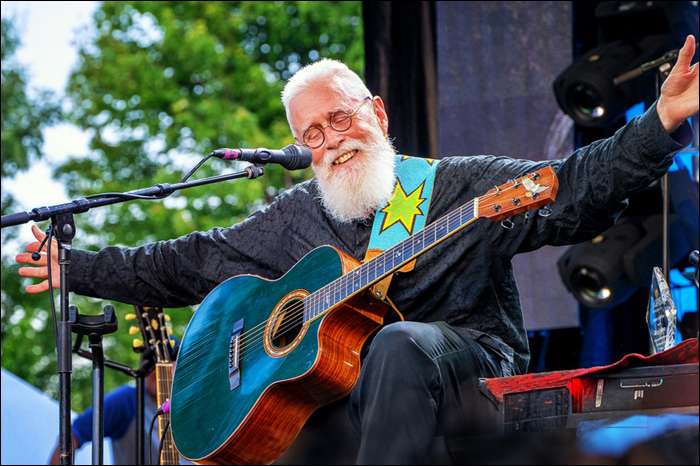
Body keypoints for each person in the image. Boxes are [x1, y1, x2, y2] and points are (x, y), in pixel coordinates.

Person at [18, 36, 698, 464]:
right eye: (311, 134)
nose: (331, 140)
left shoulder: (457, 185)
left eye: (340, 118)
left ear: (376, 113)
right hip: (357, 402)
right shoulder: (295, 217)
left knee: (396, 346)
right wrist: (74, 266)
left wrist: (661, 124)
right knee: (297, 417)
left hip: (468, 362)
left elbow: (572, 188)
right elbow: (185, 262)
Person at [48, 370, 162, 465]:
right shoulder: (129, 399)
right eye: (151, 363)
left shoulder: (179, 407)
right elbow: (73, 435)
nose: (156, 371)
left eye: (166, 364)